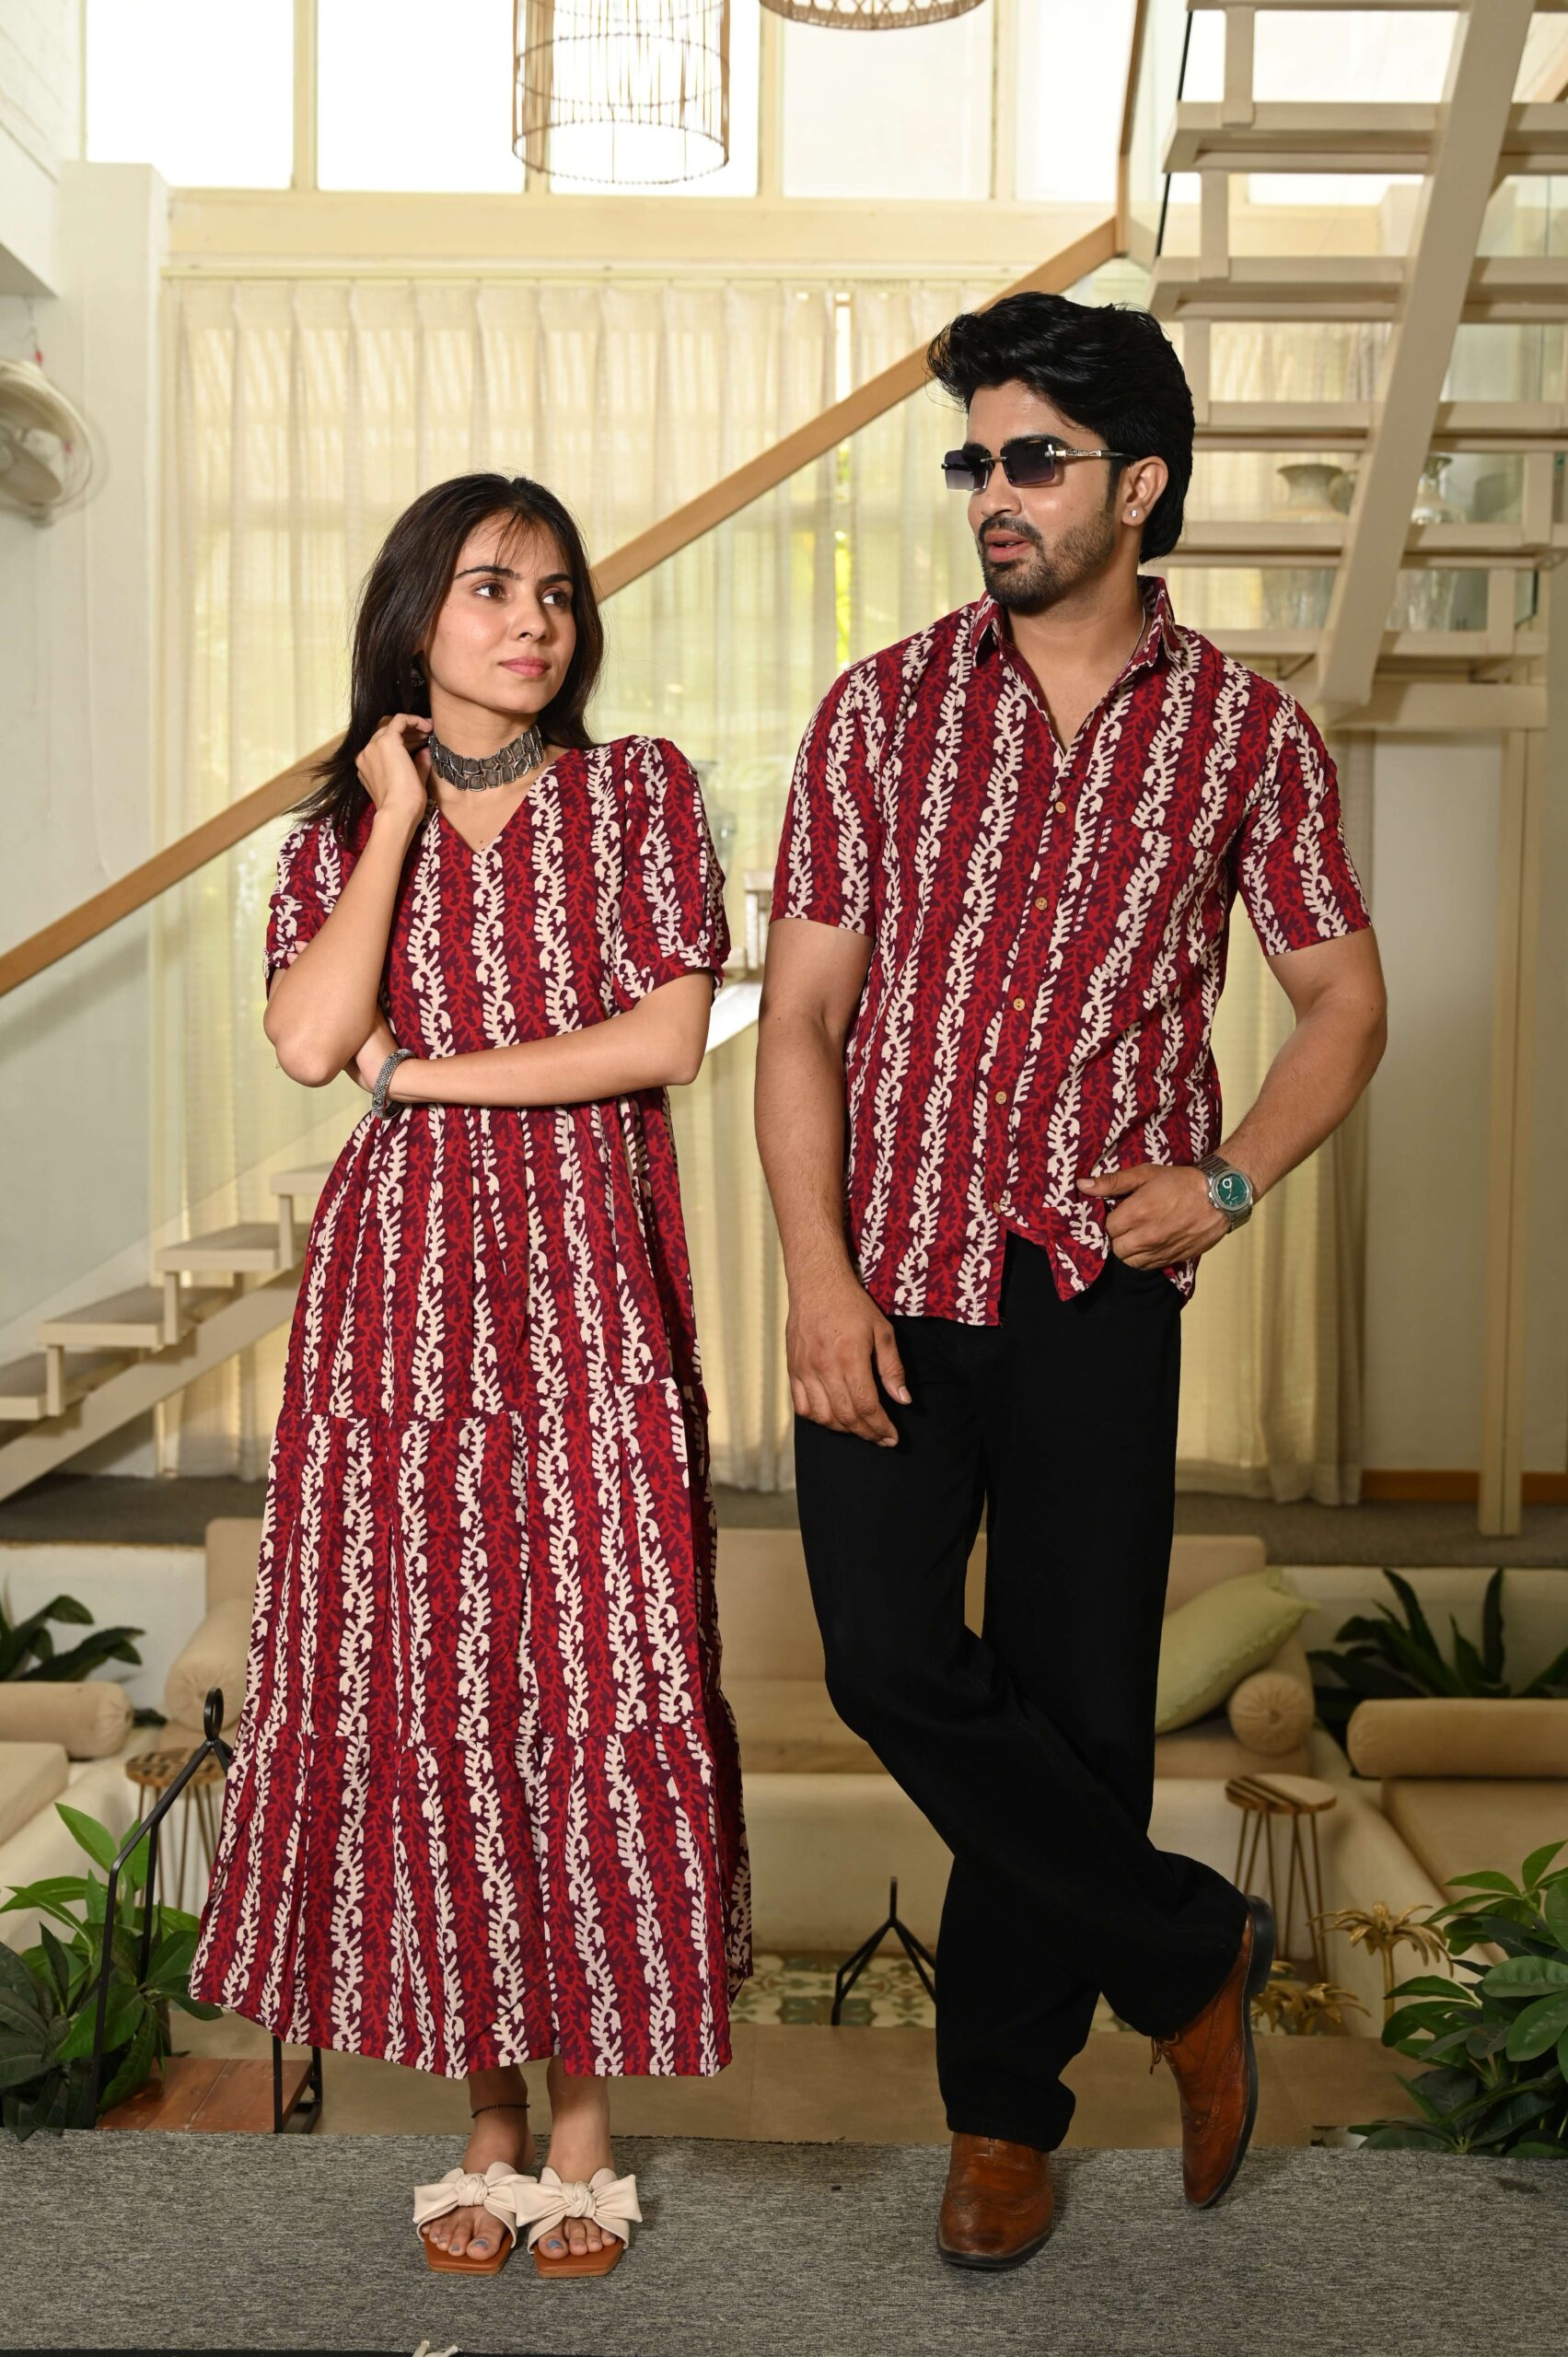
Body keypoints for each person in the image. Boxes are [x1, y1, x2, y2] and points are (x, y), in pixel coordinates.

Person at [754, 292, 1387, 2270]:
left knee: (1077, 1711)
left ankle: (1001, 2124)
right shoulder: (878, 710)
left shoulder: (1247, 735)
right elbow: (799, 1024)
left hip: (1095, 1288)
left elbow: (1345, 1000)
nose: (990, 493)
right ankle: (1191, 1951)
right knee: (884, 1659)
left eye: (1030, 458)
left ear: (1142, 486)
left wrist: (1231, 1176)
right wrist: (816, 1277)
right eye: (974, 459)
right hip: (891, 1275)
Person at [189, 470, 749, 2280]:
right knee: (432, 1679)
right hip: (396, 1312)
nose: (533, 622)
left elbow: (664, 1036)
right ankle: (489, 2117)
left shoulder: (639, 790)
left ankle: (586, 2124)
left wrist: (421, 1078)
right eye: (494, 587)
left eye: (558, 593)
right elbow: (309, 1038)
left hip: (587, 1289)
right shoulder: (341, 833)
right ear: (416, 611)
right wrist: (394, 817)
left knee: (595, 1667)